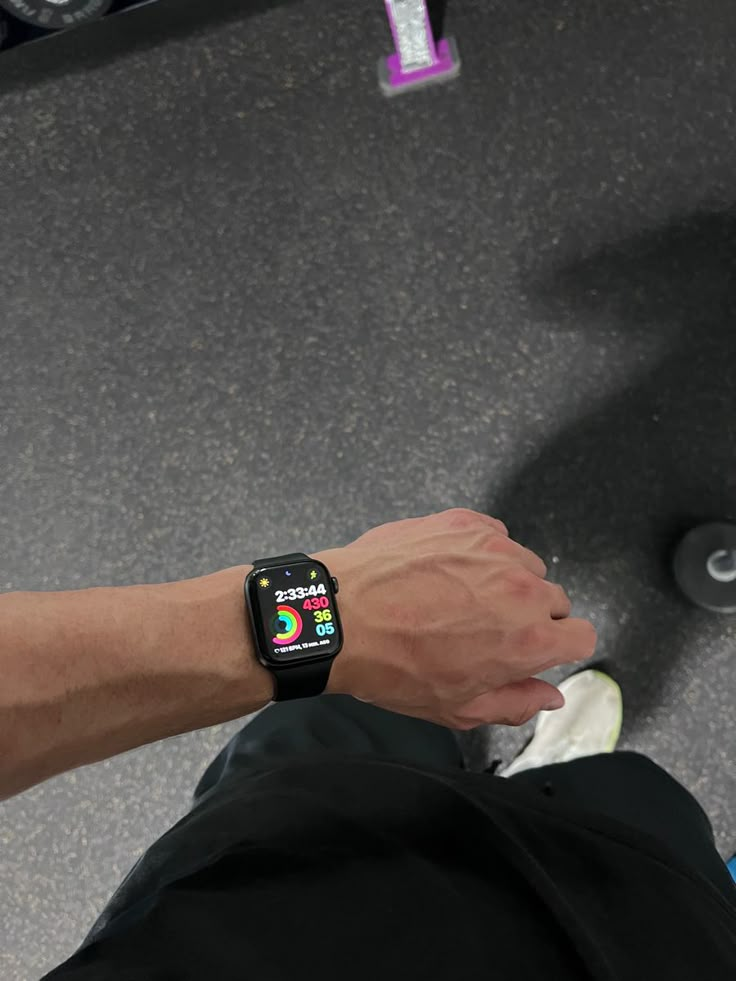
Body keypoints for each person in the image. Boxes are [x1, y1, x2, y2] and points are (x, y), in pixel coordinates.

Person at [1, 508, 733, 978]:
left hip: (271, 877)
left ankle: (517, 783)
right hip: (615, 936)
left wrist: (333, 619)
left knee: (353, 724)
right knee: (624, 811)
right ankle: (548, 789)